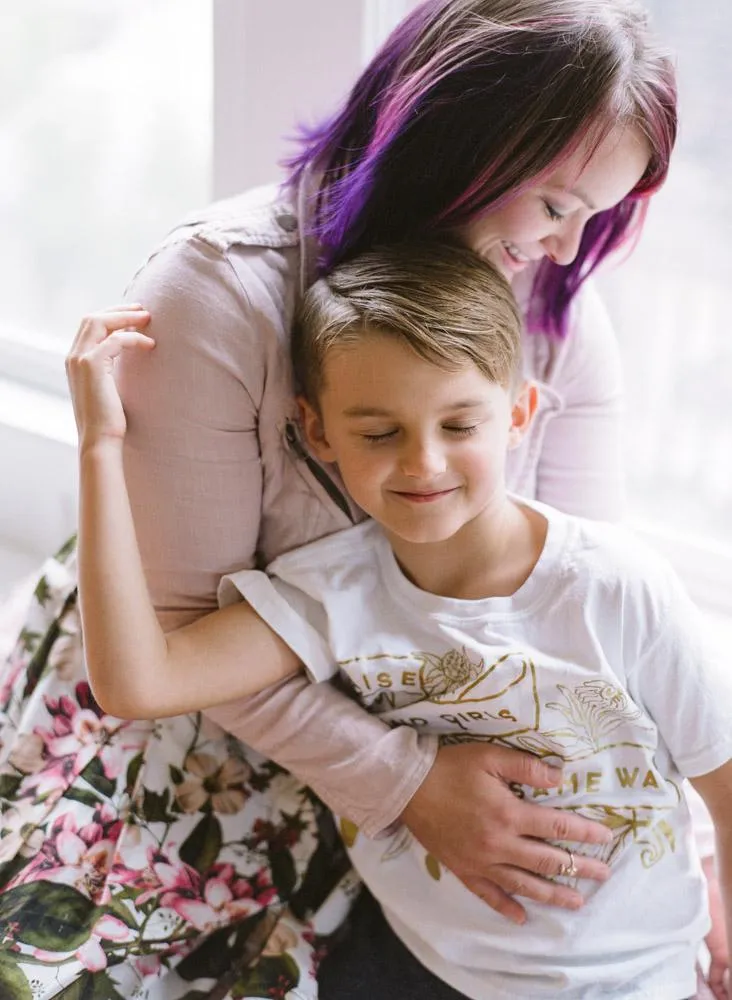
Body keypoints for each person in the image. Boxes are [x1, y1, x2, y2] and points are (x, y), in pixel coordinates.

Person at [0, 1, 686, 997]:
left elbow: (586, 614)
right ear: (462, 144)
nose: (568, 249)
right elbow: (170, 644)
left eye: (596, 217)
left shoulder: (559, 327)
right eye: (554, 205)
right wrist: (410, 784)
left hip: (422, 723)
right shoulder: (218, 296)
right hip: (212, 708)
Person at [65, 240, 732, 1000]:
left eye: (460, 426)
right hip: (415, 966)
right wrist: (99, 445)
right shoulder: (332, 590)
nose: (424, 464)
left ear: (518, 414)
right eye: (380, 434)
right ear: (317, 432)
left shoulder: (618, 588)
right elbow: (138, 682)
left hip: (632, 982)